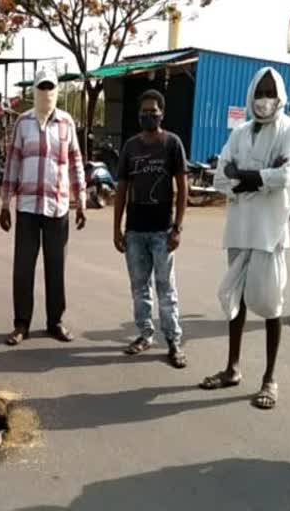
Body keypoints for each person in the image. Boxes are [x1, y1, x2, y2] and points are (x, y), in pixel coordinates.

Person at [200, 67, 290, 410]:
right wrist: (260, 177)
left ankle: (269, 378)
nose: (263, 100)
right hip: (240, 230)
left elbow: (287, 175)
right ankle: (232, 368)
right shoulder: (241, 132)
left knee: (272, 307)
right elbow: (219, 176)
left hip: (269, 232)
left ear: (280, 95)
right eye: (259, 93)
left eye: (269, 92)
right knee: (237, 303)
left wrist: (243, 177)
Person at [0, 68, 87, 346]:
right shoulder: (23, 123)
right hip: (27, 206)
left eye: (50, 87)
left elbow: (75, 162)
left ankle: (55, 322)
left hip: (57, 207)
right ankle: (21, 324)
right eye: (42, 87)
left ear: (56, 90)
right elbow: (12, 163)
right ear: (35, 90)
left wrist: (81, 201)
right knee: (23, 268)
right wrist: (4, 203)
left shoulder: (66, 123)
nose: (46, 92)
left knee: (56, 266)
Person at [113, 89, 189, 369]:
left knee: (166, 288)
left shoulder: (172, 144)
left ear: (162, 113)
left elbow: (182, 189)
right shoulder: (130, 147)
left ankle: (173, 341)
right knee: (139, 287)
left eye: (153, 112)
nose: (148, 116)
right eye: (143, 112)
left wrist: (177, 228)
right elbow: (121, 189)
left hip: (162, 230)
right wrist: (117, 229)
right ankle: (145, 333)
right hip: (134, 230)